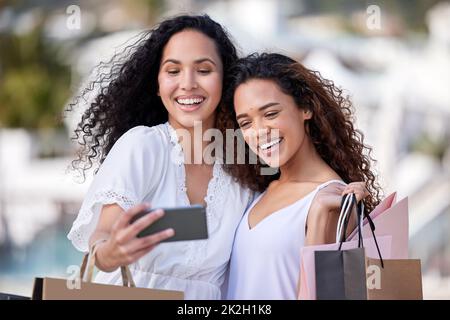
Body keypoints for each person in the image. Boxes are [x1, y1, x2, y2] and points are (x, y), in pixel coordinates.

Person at [66, 15, 253, 300]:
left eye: (204, 69)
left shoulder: (241, 166)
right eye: (173, 71)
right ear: (157, 84)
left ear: (225, 80)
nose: (187, 84)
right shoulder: (143, 147)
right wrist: (111, 252)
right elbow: (102, 236)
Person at [219, 53, 382, 299]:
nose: (260, 131)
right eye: (246, 123)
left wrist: (318, 219)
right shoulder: (262, 190)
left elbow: (328, 296)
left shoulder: (335, 202)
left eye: (271, 114)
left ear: (305, 107)